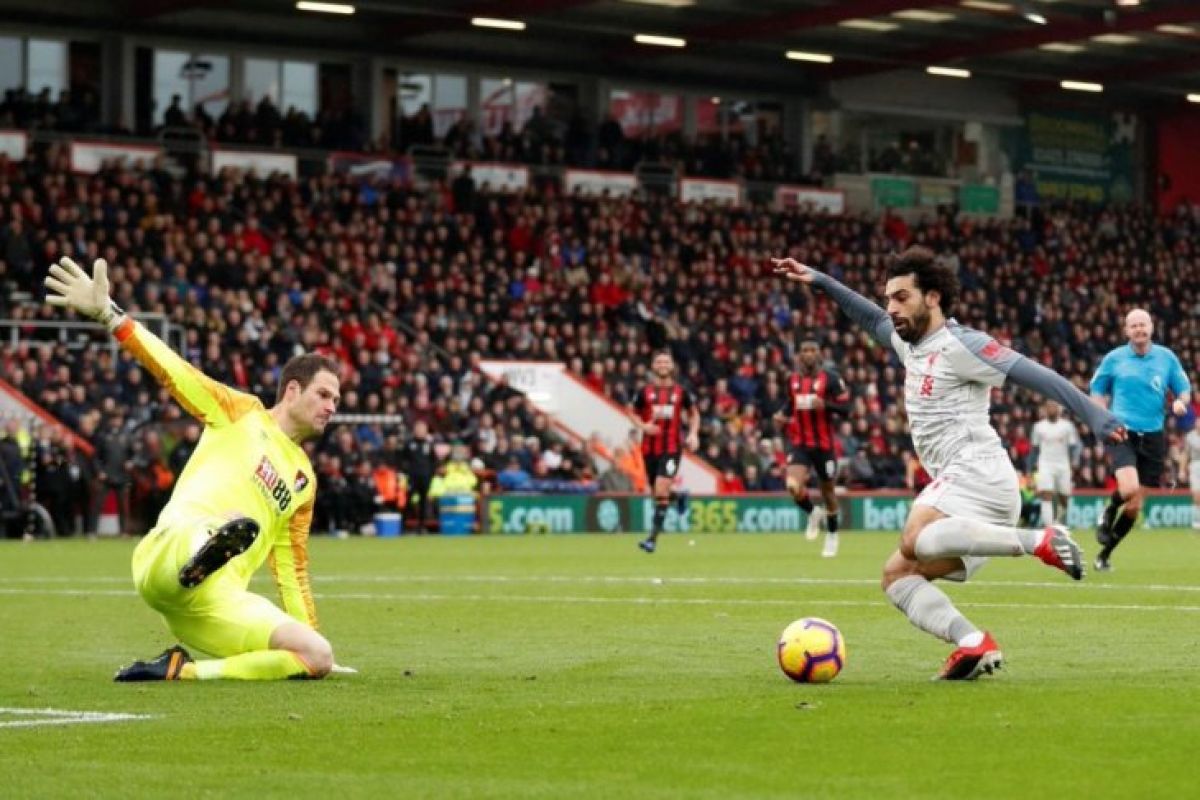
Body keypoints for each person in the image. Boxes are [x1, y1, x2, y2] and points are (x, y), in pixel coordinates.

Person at [773, 247, 1125, 681]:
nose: (891, 308)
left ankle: (1040, 540)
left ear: (933, 297)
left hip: (979, 471)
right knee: (897, 575)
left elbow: (1035, 374)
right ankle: (973, 643)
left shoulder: (964, 344)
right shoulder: (907, 340)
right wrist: (821, 280)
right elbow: (866, 316)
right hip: (967, 505)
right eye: (889, 298)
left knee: (914, 536)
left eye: (902, 297)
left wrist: (1093, 414)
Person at [44, 256, 342, 682]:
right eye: (325, 395)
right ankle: (208, 545)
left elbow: (290, 569)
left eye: (336, 400)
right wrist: (111, 316)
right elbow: (174, 371)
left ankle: (180, 671)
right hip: (166, 558)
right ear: (293, 390)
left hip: (214, 603)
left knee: (317, 655)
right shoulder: (240, 413)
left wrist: (307, 637)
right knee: (221, 526)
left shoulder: (304, 481)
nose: (332, 407)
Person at [1089, 309, 1191, 571]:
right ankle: (1108, 511)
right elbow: (1097, 390)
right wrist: (1101, 416)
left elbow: (1184, 389)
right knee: (1129, 488)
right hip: (1123, 432)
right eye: (1133, 325)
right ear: (1126, 331)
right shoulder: (1114, 359)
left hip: (1154, 437)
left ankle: (1105, 554)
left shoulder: (1167, 358)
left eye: (1142, 325)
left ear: (1151, 327)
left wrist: (1181, 402)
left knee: (1135, 506)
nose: (1139, 329)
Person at [776, 338, 850, 557]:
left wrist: (826, 404)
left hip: (824, 445)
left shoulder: (832, 379)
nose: (808, 353)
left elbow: (847, 409)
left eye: (812, 350)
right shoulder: (792, 380)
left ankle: (832, 535)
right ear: (799, 355)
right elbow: (791, 404)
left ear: (819, 354)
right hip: (799, 443)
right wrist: (782, 415)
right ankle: (812, 512)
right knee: (792, 485)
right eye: (804, 350)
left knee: (828, 493)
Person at [629, 350, 699, 553]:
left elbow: (694, 414)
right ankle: (678, 496)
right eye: (658, 361)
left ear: (671, 366)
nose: (662, 365)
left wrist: (693, 434)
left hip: (671, 448)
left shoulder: (681, 392)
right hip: (649, 449)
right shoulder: (644, 392)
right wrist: (643, 427)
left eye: (666, 362)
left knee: (660, 489)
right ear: (653, 366)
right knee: (657, 492)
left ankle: (652, 539)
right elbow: (631, 412)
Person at [1029, 401, 1080, 525]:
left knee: (1064, 497)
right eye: (1049, 407)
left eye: (1054, 406)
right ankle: (1049, 528)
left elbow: (1074, 446)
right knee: (1046, 494)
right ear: (1045, 409)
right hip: (1045, 464)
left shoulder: (1067, 426)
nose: (1051, 409)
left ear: (1059, 409)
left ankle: (1059, 522)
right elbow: (1034, 448)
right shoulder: (1038, 427)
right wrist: (1031, 467)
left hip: (1063, 464)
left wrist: (1075, 460)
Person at [1187, 426, 1200, 531]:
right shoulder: (1190, 436)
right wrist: (1182, 469)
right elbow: (1186, 453)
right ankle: (1196, 520)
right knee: (1196, 495)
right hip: (1195, 465)